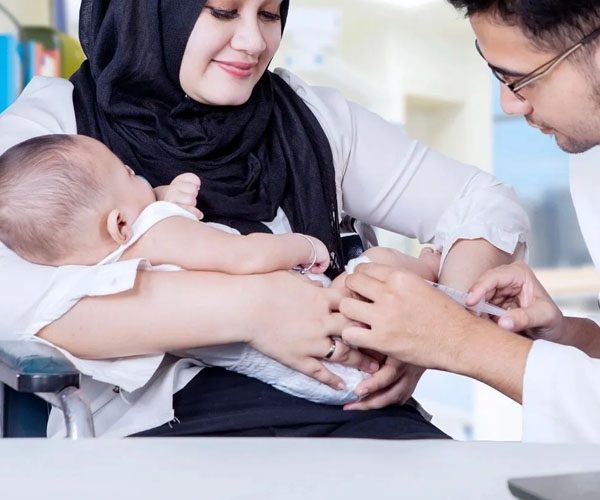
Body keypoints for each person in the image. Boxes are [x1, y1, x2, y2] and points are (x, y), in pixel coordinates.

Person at [0, 0, 528, 438]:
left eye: (270, 14)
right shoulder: (55, 136)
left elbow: (483, 203)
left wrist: (438, 326)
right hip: (168, 431)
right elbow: (16, 299)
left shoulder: (311, 120)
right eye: (224, 11)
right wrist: (256, 309)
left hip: (354, 415)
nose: (254, 41)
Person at [0, 133, 439, 405]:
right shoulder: (159, 231)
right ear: (119, 223)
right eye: (130, 172)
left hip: (310, 380)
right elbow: (242, 257)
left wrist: (169, 196)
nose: (142, 180)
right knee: (374, 268)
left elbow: (158, 241)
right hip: (324, 346)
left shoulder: (103, 267)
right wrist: (302, 245)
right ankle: (429, 273)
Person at [340, 0, 600, 443]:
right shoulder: (589, 158)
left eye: (521, 80)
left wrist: (457, 340)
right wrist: (569, 338)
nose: (509, 104)